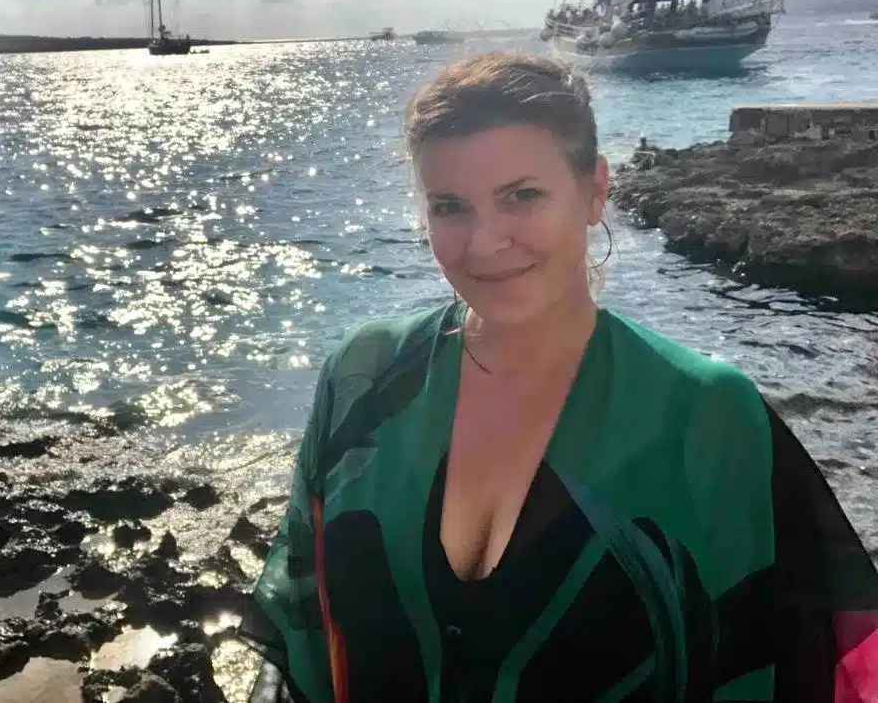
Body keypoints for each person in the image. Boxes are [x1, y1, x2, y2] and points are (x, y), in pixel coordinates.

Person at [238, 52, 878, 703]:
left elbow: (762, 672)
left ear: (595, 191)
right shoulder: (362, 380)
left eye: (522, 196)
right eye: (450, 206)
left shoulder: (704, 415)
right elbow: (299, 633)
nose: (484, 242)